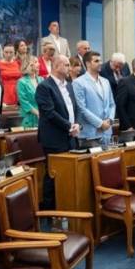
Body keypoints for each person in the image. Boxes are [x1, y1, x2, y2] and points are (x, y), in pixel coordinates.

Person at [35, 54, 81, 210]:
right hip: (54, 138)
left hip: (71, 136)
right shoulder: (44, 87)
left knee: (69, 173)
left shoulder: (69, 85)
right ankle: (49, 211)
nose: (70, 68)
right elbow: (49, 112)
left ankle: (66, 207)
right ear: (56, 66)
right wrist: (69, 126)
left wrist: (76, 124)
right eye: (66, 65)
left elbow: (75, 108)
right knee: (53, 174)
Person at [75, 51, 115, 146]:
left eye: (100, 61)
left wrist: (110, 120)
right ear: (88, 63)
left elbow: (112, 104)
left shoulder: (105, 81)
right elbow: (82, 108)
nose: (100, 63)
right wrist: (100, 123)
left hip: (107, 132)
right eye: (96, 61)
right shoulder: (78, 82)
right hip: (90, 134)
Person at [17, 56, 42, 128]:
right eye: (36, 62)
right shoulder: (22, 82)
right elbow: (24, 102)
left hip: (42, 116)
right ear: (30, 65)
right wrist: (38, 113)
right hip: (28, 117)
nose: (39, 64)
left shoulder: (41, 79)